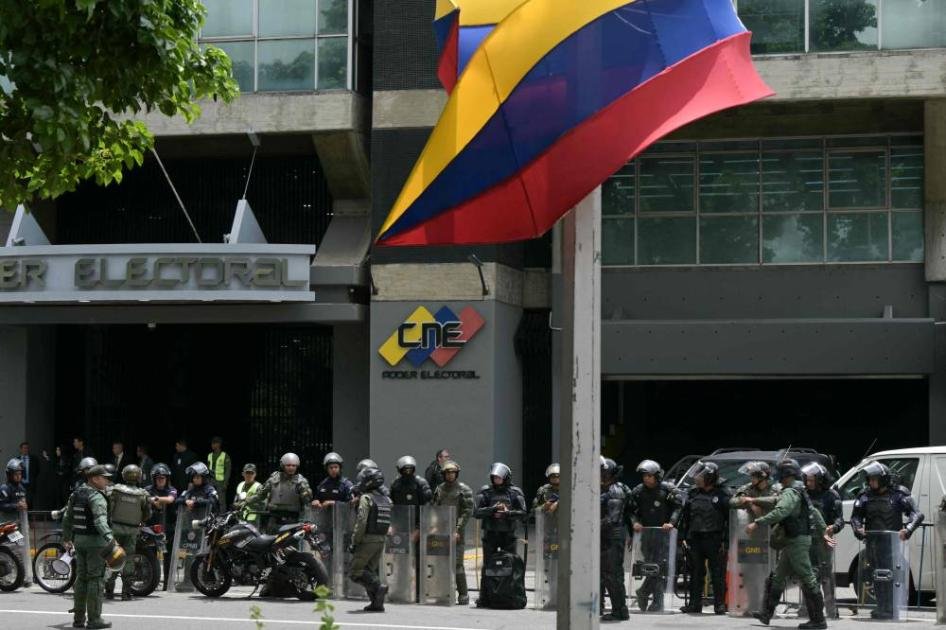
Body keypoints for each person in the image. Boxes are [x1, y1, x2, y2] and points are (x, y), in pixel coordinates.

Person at [749, 459, 831, 630]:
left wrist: (757, 522)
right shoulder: (799, 490)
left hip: (796, 541)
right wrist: (824, 530)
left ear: (786, 475)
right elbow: (813, 511)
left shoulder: (791, 492)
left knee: (808, 578)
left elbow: (781, 511)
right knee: (778, 576)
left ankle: (818, 620)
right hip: (793, 539)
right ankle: (766, 614)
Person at [850, 461, 924, 620]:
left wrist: (908, 529)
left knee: (890, 576)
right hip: (872, 544)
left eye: (874, 479)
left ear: (883, 479)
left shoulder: (898, 494)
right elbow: (855, 517)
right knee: (876, 576)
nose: (870, 482)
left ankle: (892, 608)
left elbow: (917, 514)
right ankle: (881, 607)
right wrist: (858, 529)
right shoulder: (865, 495)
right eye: (869, 479)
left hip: (892, 545)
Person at [62, 464, 117, 630]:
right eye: (104, 478)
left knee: (81, 578)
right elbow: (100, 521)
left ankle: (78, 619)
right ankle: (94, 620)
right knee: (96, 579)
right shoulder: (96, 497)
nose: (107, 481)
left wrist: (67, 538)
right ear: (94, 479)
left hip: (79, 541)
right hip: (96, 544)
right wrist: (111, 539)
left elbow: (67, 517)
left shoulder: (76, 493)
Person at [627, 459, 681, 612]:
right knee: (651, 567)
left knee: (661, 567)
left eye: (650, 476)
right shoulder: (638, 491)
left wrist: (671, 522)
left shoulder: (668, 489)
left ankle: (648, 595)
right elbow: (630, 510)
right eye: (644, 476)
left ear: (657, 476)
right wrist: (635, 522)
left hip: (664, 535)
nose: (647, 479)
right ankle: (653, 599)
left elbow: (678, 507)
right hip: (646, 535)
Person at [679, 461, 730, 615]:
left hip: (715, 539)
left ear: (709, 477)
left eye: (700, 476)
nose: (696, 478)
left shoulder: (722, 494)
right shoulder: (693, 493)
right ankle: (694, 604)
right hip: (695, 538)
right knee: (695, 572)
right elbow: (685, 517)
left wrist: (725, 541)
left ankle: (720, 605)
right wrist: (683, 537)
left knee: (717, 573)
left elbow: (729, 520)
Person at [802, 462, 844, 620]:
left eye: (811, 480)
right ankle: (806, 609)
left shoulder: (831, 496)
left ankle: (831, 611)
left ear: (820, 480)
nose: (808, 483)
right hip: (806, 541)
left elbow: (839, 519)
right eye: (807, 480)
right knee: (806, 575)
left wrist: (834, 527)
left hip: (823, 542)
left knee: (826, 576)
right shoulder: (803, 494)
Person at [105, 465, 151, 601]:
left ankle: (109, 591)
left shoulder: (115, 490)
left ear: (124, 475)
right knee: (129, 559)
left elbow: (108, 508)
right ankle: (126, 592)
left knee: (114, 557)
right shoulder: (143, 494)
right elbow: (147, 514)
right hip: (132, 531)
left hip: (115, 528)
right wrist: (140, 520)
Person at [472, 463, 527, 576]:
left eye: (499, 477)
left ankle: (509, 587)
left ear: (506, 477)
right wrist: (492, 509)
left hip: (508, 535)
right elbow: (476, 512)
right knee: (488, 564)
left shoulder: (515, 492)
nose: (496, 479)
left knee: (510, 563)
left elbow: (523, 513)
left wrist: (508, 513)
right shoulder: (485, 491)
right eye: (495, 477)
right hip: (490, 534)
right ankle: (488, 587)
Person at [432, 460, 474, 605]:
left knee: (457, 564)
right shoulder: (439, 489)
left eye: (453, 473)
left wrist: (457, 529)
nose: (450, 475)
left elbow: (467, 512)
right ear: (444, 474)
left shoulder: (464, 490)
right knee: (441, 563)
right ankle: (444, 592)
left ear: (457, 474)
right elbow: (434, 508)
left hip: (457, 532)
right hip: (441, 531)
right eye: (448, 473)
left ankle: (463, 594)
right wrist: (433, 525)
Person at [349, 466, 390, 612]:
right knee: (369, 571)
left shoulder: (366, 498)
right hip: (381, 540)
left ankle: (379, 587)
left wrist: (355, 541)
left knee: (356, 572)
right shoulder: (385, 499)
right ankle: (376, 603)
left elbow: (361, 522)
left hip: (367, 540)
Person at [247, 452, 313, 533]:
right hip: (274, 519)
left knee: (291, 540)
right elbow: (260, 494)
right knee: (270, 539)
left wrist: (307, 520)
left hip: (292, 520)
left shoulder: (301, 481)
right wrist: (247, 500)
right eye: (288, 465)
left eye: (293, 465)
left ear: (297, 466)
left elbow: (307, 502)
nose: (291, 468)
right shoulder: (274, 478)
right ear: (283, 466)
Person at [144, 463, 178, 591]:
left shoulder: (171, 489)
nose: (160, 480)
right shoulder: (147, 489)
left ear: (167, 478)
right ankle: (149, 582)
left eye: (163, 478)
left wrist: (156, 500)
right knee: (150, 555)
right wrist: (153, 500)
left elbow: (170, 499)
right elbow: (144, 498)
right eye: (158, 478)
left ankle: (167, 584)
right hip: (151, 527)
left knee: (168, 556)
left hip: (168, 527)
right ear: (154, 479)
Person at [18, 442, 40, 508]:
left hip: (30, 485)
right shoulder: (17, 459)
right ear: (21, 449)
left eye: (27, 448)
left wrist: (32, 479)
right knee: (20, 502)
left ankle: (29, 514)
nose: (26, 450)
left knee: (29, 502)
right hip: (20, 484)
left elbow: (37, 470)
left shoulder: (34, 459)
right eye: (24, 448)